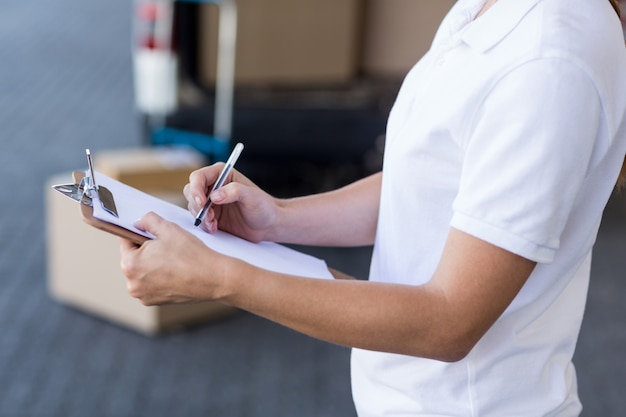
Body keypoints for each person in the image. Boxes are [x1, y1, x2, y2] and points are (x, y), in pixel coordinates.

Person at [120, 0, 626, 415]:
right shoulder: (488, 10)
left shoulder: (550, 60)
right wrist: (275, 219)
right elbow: (427, 181)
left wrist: (222, 278)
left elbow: (448, 322)